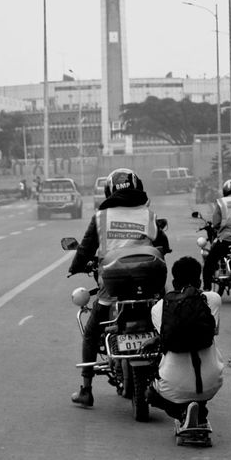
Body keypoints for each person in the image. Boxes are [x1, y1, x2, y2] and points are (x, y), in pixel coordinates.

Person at [66, 168, 170, 407]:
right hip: (149, 283)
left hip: (113, 285)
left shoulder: (101, 217)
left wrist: (75, 268)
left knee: (92, 331)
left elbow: (84, 250)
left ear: (109, 191)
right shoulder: (148, 215)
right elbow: (163, 244)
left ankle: (86, 389)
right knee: (166, 319)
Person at [145, 256, 223, 433]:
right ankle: (199, 410)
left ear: (173, 281)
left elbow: (166, 335)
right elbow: (213, 332)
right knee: (201, 379)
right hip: (212, 381)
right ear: (200, 280)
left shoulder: (158, 308)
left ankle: (182, 412)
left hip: (173, 384)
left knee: (150, 394)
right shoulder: (213, 299)